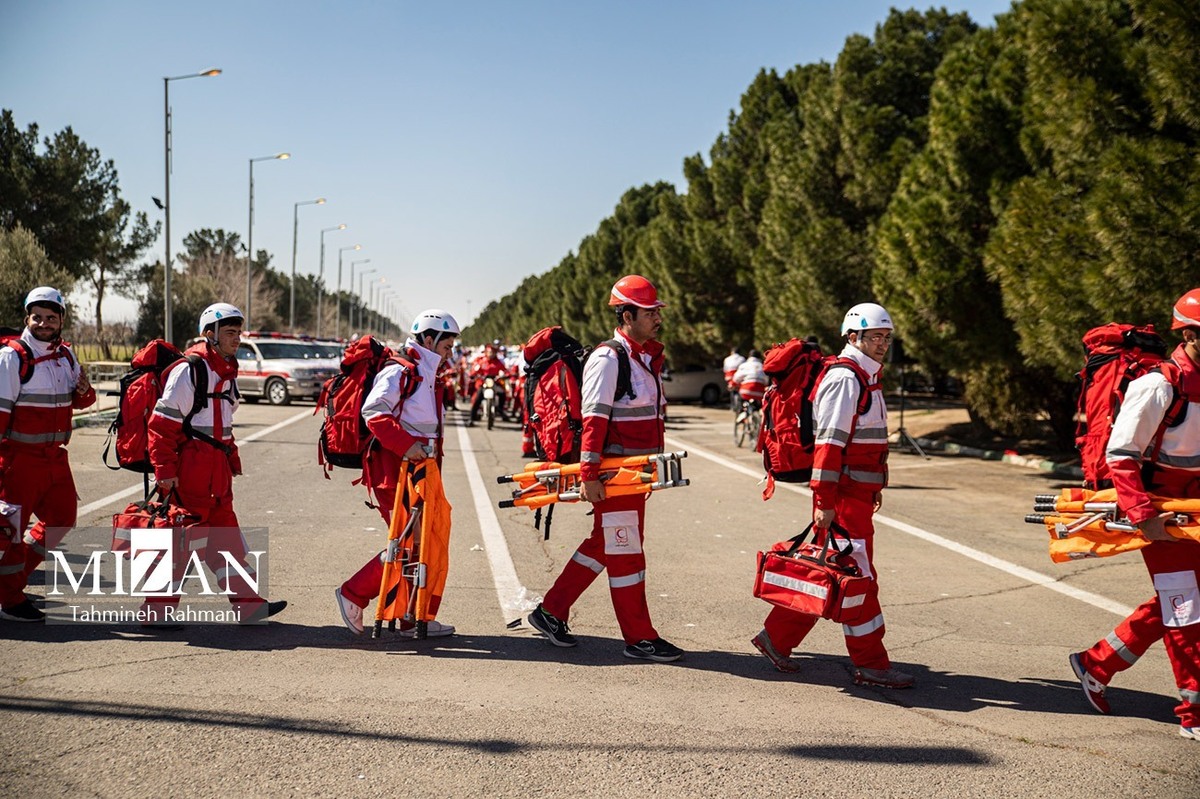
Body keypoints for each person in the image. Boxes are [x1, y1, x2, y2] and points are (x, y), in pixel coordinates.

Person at [750, 302, 914, 688]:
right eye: (875, 337)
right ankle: (871, 663)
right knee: (859, 580)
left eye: (886, 338)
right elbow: (829, 445)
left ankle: (775, 639)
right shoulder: (846, 379)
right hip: (840, 498)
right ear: (852, 336)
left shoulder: (865, 377)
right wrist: (823, 502)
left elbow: (865, 444)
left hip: (855, 495)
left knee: (827, 572)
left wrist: (874, 487)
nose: (882, 344)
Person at [526, 274, 683, 662]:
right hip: (615, 476)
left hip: (635, 474)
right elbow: (594, 419)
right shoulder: (609, 358)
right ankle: (639, 637)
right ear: (627, 315)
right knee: (627, 552)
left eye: (657, 311)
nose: (657, 318)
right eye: (649, 312)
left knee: (603, 545)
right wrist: (589, 475)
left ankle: (550, 612)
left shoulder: (641, 358)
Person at [1069, 289, 1200, 741]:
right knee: (1186, 610)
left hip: (1194, 508)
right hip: (1159, 509)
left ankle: (1096, 663)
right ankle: (1194, 714)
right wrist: (1143, 516)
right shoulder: (1160, 384)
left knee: (1185, 601)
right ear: (1186, 334)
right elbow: (1121, 455)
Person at [147, 303, 286, 627]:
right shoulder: (190, 370)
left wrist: (231, 456)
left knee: (228, 544)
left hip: (217, 473)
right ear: (209, 334)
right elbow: (160, 426)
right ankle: (155, 613)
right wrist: (165, 473)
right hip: (193, 473)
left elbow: (223, 424)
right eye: (229, 332)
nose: (236, 338)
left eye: (238, 332)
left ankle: (249, 606)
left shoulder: (226, 369)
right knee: (182, 546)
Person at [335, 309, 460, 637]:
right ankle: (353, 594)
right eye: (447, 346)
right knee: (407, 543)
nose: (451, 353)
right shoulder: (401, 371)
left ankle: (409, 616)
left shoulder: (427, 370)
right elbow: (373, 412)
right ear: (430, 339)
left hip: (419, 471)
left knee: (418, 544)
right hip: (395, 471)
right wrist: (406, 446)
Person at [0, 287, 95, 622]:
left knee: (62, 519)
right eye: (36, 316)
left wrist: (84, 391)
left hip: (55, 457)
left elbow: (83, 401)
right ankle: (10, 600)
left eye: (50, 317)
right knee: (10, 532)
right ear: (27, 317)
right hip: (19, 460)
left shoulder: (66, 355)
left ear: (61, 320)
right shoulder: (13, 356)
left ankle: (10, 583)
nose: (43, 323)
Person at [467, 341, 506, 424]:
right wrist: (473, 374)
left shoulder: (498, 362)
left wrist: (504, 375)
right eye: (489, 352)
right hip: (484, 383)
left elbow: (505, 371)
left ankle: (500, 409)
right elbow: (474, 370)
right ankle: (472, 418)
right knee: (477, 399)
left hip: (495, 382)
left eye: (492, 352)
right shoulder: (482, 361)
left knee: (502, 393)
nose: (491, 354)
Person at [732, 349, 767, 414]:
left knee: (740, 401)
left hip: (746, 390)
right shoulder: (763, 366)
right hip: (760, 392)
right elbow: (766, 381)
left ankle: (741, 414)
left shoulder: (744, 365)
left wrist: (733, 384)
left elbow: (736, 378)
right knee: (758, 407)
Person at [723, 347, 746, 413]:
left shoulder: (727, 359)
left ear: (732, 352)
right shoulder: (742, 359)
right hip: (738, 377)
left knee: (731, 390)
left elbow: (725, 369)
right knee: (739, 390)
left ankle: (732, 406)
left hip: (729, 377)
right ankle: (740, 406)